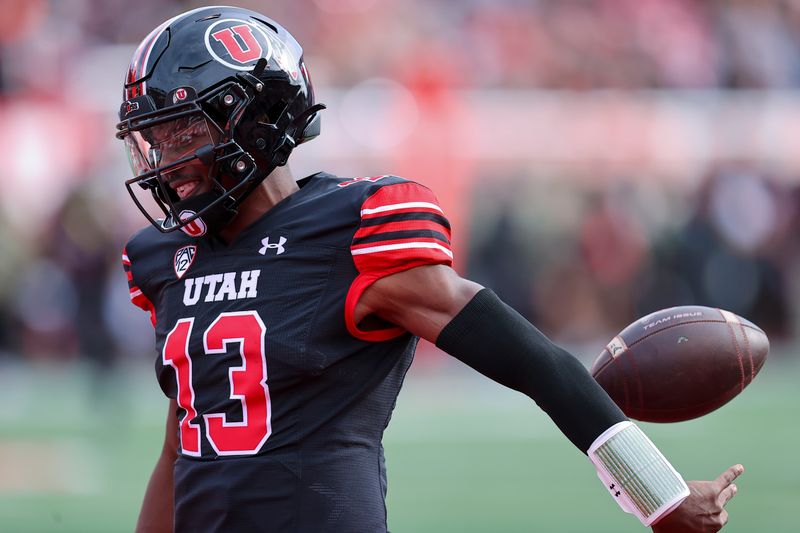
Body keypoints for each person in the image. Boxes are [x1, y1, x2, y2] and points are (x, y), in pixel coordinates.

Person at [118, 6, 742, 533]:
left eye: (182, 133)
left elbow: (534, 362)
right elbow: (184, 441)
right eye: (154, 138)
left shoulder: (351, 230)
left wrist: (659, 494)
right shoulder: (166, 258)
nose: (164, 160)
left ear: (255, 118)